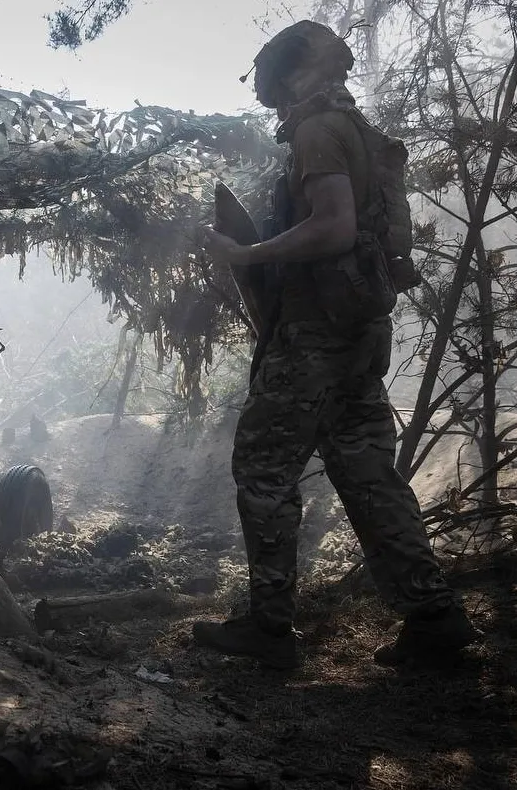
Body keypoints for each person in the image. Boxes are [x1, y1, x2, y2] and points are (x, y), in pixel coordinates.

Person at [197, 21, 478, 668]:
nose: (270, 98)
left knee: (263, 468)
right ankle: (433, 616)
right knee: (367, 472)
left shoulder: (319, 131)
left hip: (316, 336)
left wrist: (247, 252)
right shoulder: (356, 131)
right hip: (356, 332)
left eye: (272, 85)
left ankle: (269, 630)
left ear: (294, 74)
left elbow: (334, 228)